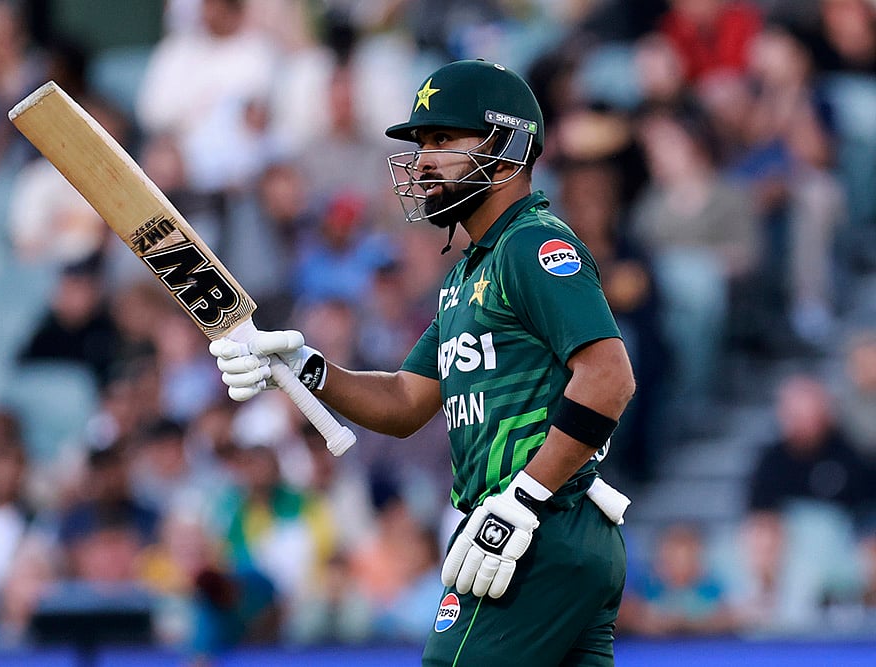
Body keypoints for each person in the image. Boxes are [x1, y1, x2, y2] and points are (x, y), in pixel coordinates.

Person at [210, 59, 636, 666]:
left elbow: (609, 377)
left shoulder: (531, 245)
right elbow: (406, 401)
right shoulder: (468, 274)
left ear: (508, 149)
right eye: (421, 144)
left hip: (537, 526)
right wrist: (306, 367)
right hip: (553, 529)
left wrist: (524, 499)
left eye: (442, 140)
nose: (423, 160)